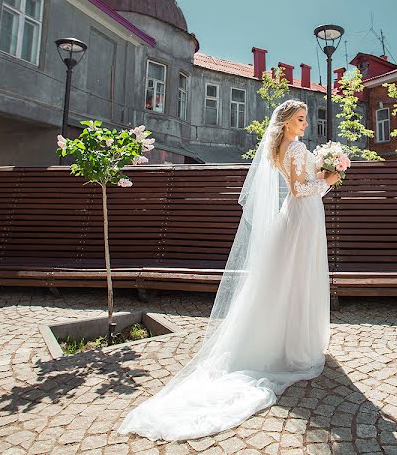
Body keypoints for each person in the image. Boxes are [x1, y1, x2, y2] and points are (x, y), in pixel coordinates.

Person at [119, 99, 339, 441]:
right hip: (301, 217)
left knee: (288, 280)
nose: (305, 124)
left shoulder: (281, 148)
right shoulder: (294, 148)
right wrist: (329, 178)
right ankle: (294, 345)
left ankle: (286, 337)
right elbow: (299, 190)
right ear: (286, 122)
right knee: (298, 279)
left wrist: (323, 175)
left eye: (305, 119)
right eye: (300, 119)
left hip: (297, 218)